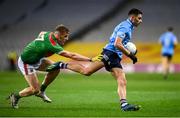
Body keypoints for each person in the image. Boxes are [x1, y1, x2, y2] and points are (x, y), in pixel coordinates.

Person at [47, 8, 143, 111]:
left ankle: (124, 105)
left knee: (121, 79)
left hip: (114, 55)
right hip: (110, 53)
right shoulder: (125, 27)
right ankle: (61, 64)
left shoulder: (128, 26)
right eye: (139, 18)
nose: (141, 20)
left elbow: (120, 43)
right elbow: (117, 43)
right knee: (87, 71)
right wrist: (130, 55)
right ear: (132, 17)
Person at [8, 25, 92, 109]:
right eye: (65, 36)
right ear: (58, 35)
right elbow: (72, 55)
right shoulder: (52, 44)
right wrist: (90, 59)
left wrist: (38, 48)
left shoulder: (48, 34)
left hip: (38, 59)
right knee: (34, 90)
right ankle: (15, 96)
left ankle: (42, 91)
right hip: (27, 63)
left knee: (55, 69)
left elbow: (42, 33)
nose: (67, 38)